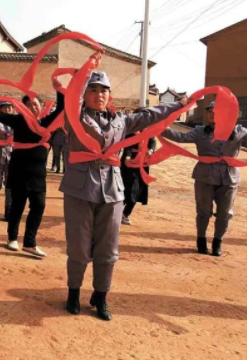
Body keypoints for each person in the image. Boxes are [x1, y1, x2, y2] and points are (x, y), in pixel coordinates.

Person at [61, 71, 185, 321]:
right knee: (79, 247)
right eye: (93, 90)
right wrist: (85, 70)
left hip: (112, 189)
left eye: (103, 90)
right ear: (84, 94)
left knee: (108, 248)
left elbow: (151, 115)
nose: (99, 94)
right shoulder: (74, 116)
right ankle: (73, 293)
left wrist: (180, 105)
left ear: (110, 95)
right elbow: (70, 98)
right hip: (79, 189)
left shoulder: (122, 121)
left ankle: (101, 295)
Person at [162, 101, 247, 257]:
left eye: (216, 111)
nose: (212, 114)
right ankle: (201, 241)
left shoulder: (238, 130)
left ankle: (217, 242)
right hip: (205, 176)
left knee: (225, 213)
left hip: (229, 178)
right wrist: (158, 126)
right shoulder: (200, 131)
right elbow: (180, 137)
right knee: (203, 212)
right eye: (210, 111)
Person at [0, 80, 64, 257]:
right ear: (23, 108)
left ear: (41, 106)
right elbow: (1, 116)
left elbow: (61, 110)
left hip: (38, 174)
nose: (33, 107)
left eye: (36, 104)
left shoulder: (45, 123)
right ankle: (12, 238)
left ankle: (29, 242)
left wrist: (59, 90)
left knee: (39, 205)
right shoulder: (18, 121)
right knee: (17, 206)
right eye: (29, 104)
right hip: (19, 170)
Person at [120, 132, 156, 226]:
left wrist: (151, 150)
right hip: (129, 163)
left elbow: (152, 141)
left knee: (138, 190)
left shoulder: (148, 129)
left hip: (142, 163)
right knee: (126, 188)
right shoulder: (133, 128)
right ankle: (117, 212)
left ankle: (125, 214)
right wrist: (127, 155)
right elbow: (127, 143)